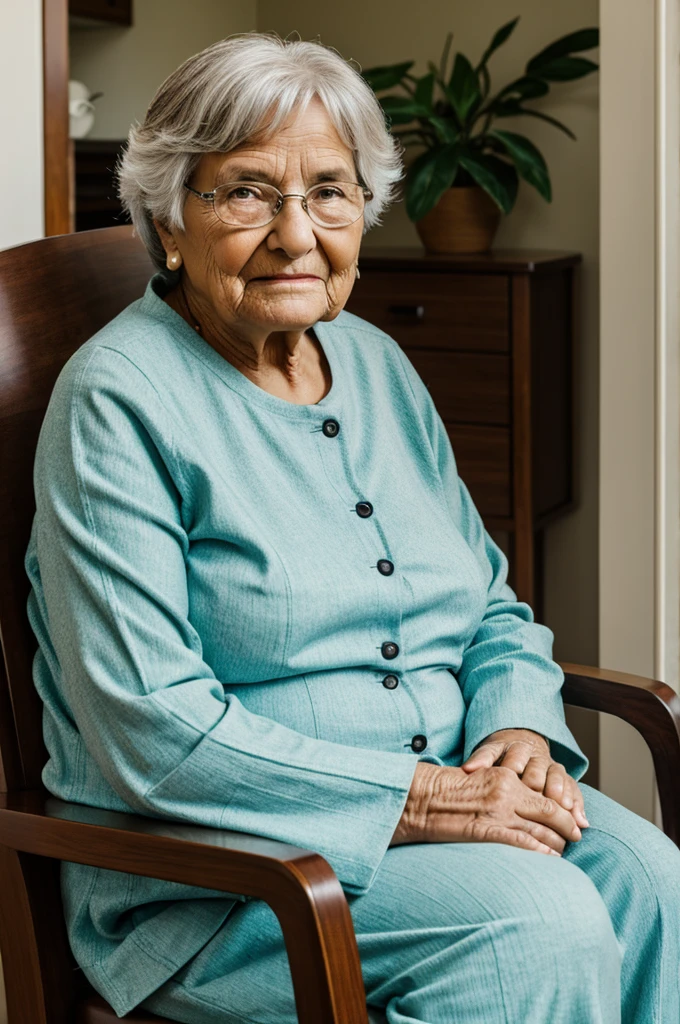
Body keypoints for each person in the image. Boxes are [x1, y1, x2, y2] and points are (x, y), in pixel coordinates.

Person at [25, 31, 680, 1024]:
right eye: (246, 192)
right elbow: (151, 730)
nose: (296, 234)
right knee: (535, 925)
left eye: (328, 192)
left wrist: (516, 724)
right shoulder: (118, 401)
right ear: (168, 220)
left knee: (652, 881)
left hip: (448, 805)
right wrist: (424, 801)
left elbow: (487, 602)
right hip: (221, 876)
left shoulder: (371, 359)